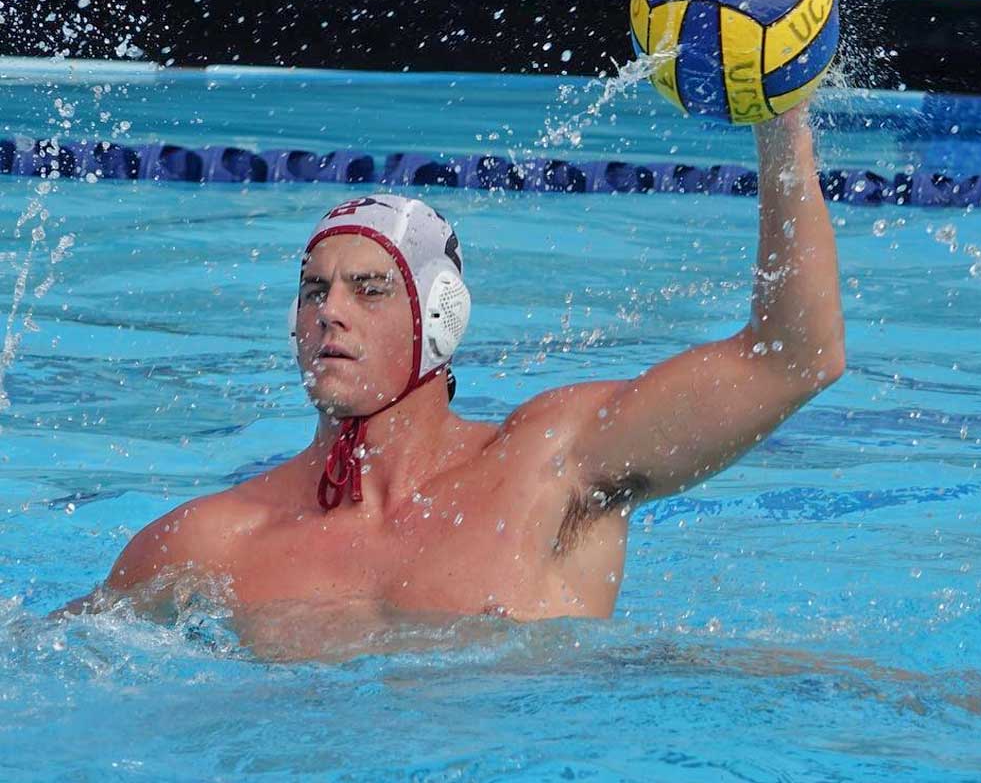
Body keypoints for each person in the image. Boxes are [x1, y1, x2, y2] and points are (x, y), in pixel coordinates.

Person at [70, 102, 845, 655]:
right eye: (313, 290)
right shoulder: (210, 541)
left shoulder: (554, 463)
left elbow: (795, 358)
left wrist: (781, 125)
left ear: (439, 317)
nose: (329, 313)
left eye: (368, 289)